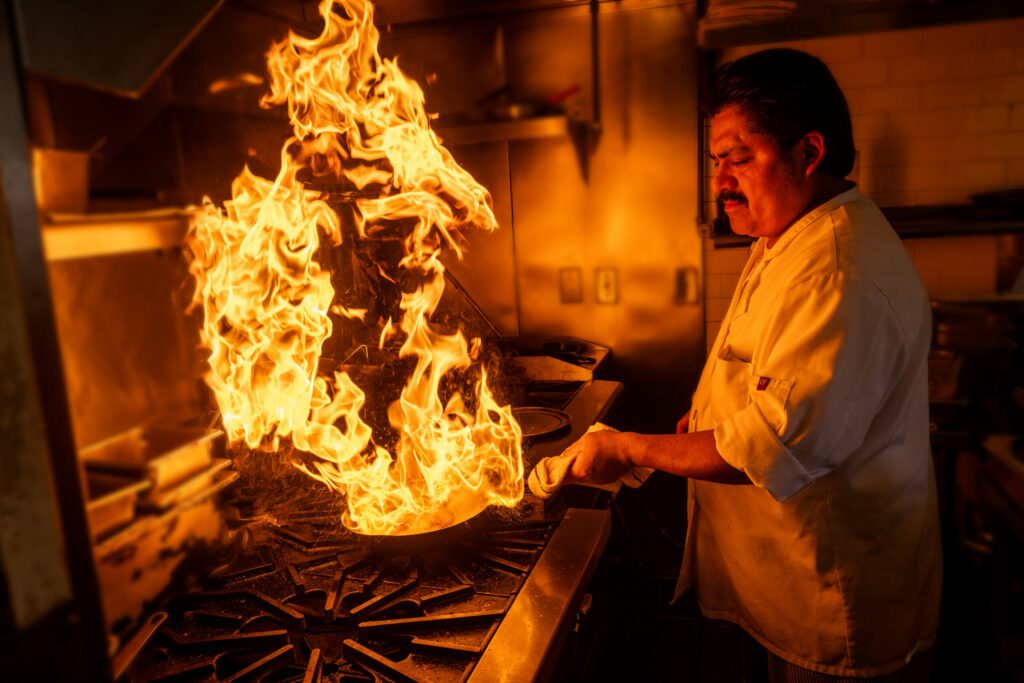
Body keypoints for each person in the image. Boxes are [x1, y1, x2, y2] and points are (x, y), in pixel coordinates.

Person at [552, 48, 942, 681]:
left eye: (739, 158)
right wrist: (705, 417)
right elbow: (769, 375)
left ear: (808, 152)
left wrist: (628, 449)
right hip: (790, 584)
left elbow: (769, 442)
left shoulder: (836, 270)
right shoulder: (790, 237)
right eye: (715, 161)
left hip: (833, 605)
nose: (720, 181)